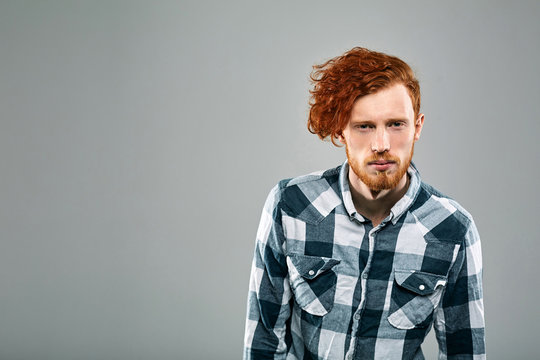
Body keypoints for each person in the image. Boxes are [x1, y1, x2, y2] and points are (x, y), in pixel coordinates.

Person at [243, 47, 485, 360]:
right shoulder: (291, 205)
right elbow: (263, 344)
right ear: (340, 130)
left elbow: (464, 353)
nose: (381, 144)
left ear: (418, 127)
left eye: (396, 124)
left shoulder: (453, 230)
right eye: (364, 126)